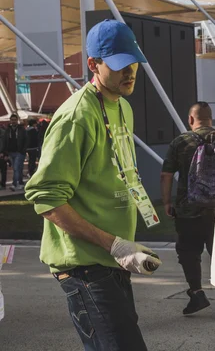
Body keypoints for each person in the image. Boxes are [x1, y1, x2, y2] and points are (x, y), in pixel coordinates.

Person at [24, 19, 162, 351]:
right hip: (85, 268)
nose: (128, 72)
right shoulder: (76, 116)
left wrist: (124, 246)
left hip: (110, 262)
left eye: (132, 63)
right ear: (93, 65)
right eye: (117, 65)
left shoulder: (122, 107)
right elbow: (46, 198)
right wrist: (114, 244)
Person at [161, 102, 215, 320]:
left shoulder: (180, 141)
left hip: (188, 211)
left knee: (188, 252)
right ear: (211, 119)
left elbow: (166, 174)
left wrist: (167, 202)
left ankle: (196, 294)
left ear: (190, 119)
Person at [2, 113, 26, 190]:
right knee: (18, 168)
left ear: (17, 120)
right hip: (10, 152)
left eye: (15, 120)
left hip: (19, 152)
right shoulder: (7, 130)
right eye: (12, 120)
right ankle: (20, 183)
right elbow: (5, 141)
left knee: (16, 168)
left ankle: (14, 184)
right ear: (10, 121)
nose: (13, 121)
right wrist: (5, 152)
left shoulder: (21, 129)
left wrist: (23, 150)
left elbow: (26, 140)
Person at [0, 124, 6, 189]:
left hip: (2, 155)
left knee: (3, 170)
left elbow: (5, 144)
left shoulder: (3, 133)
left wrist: (4, 153)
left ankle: (3, 184)